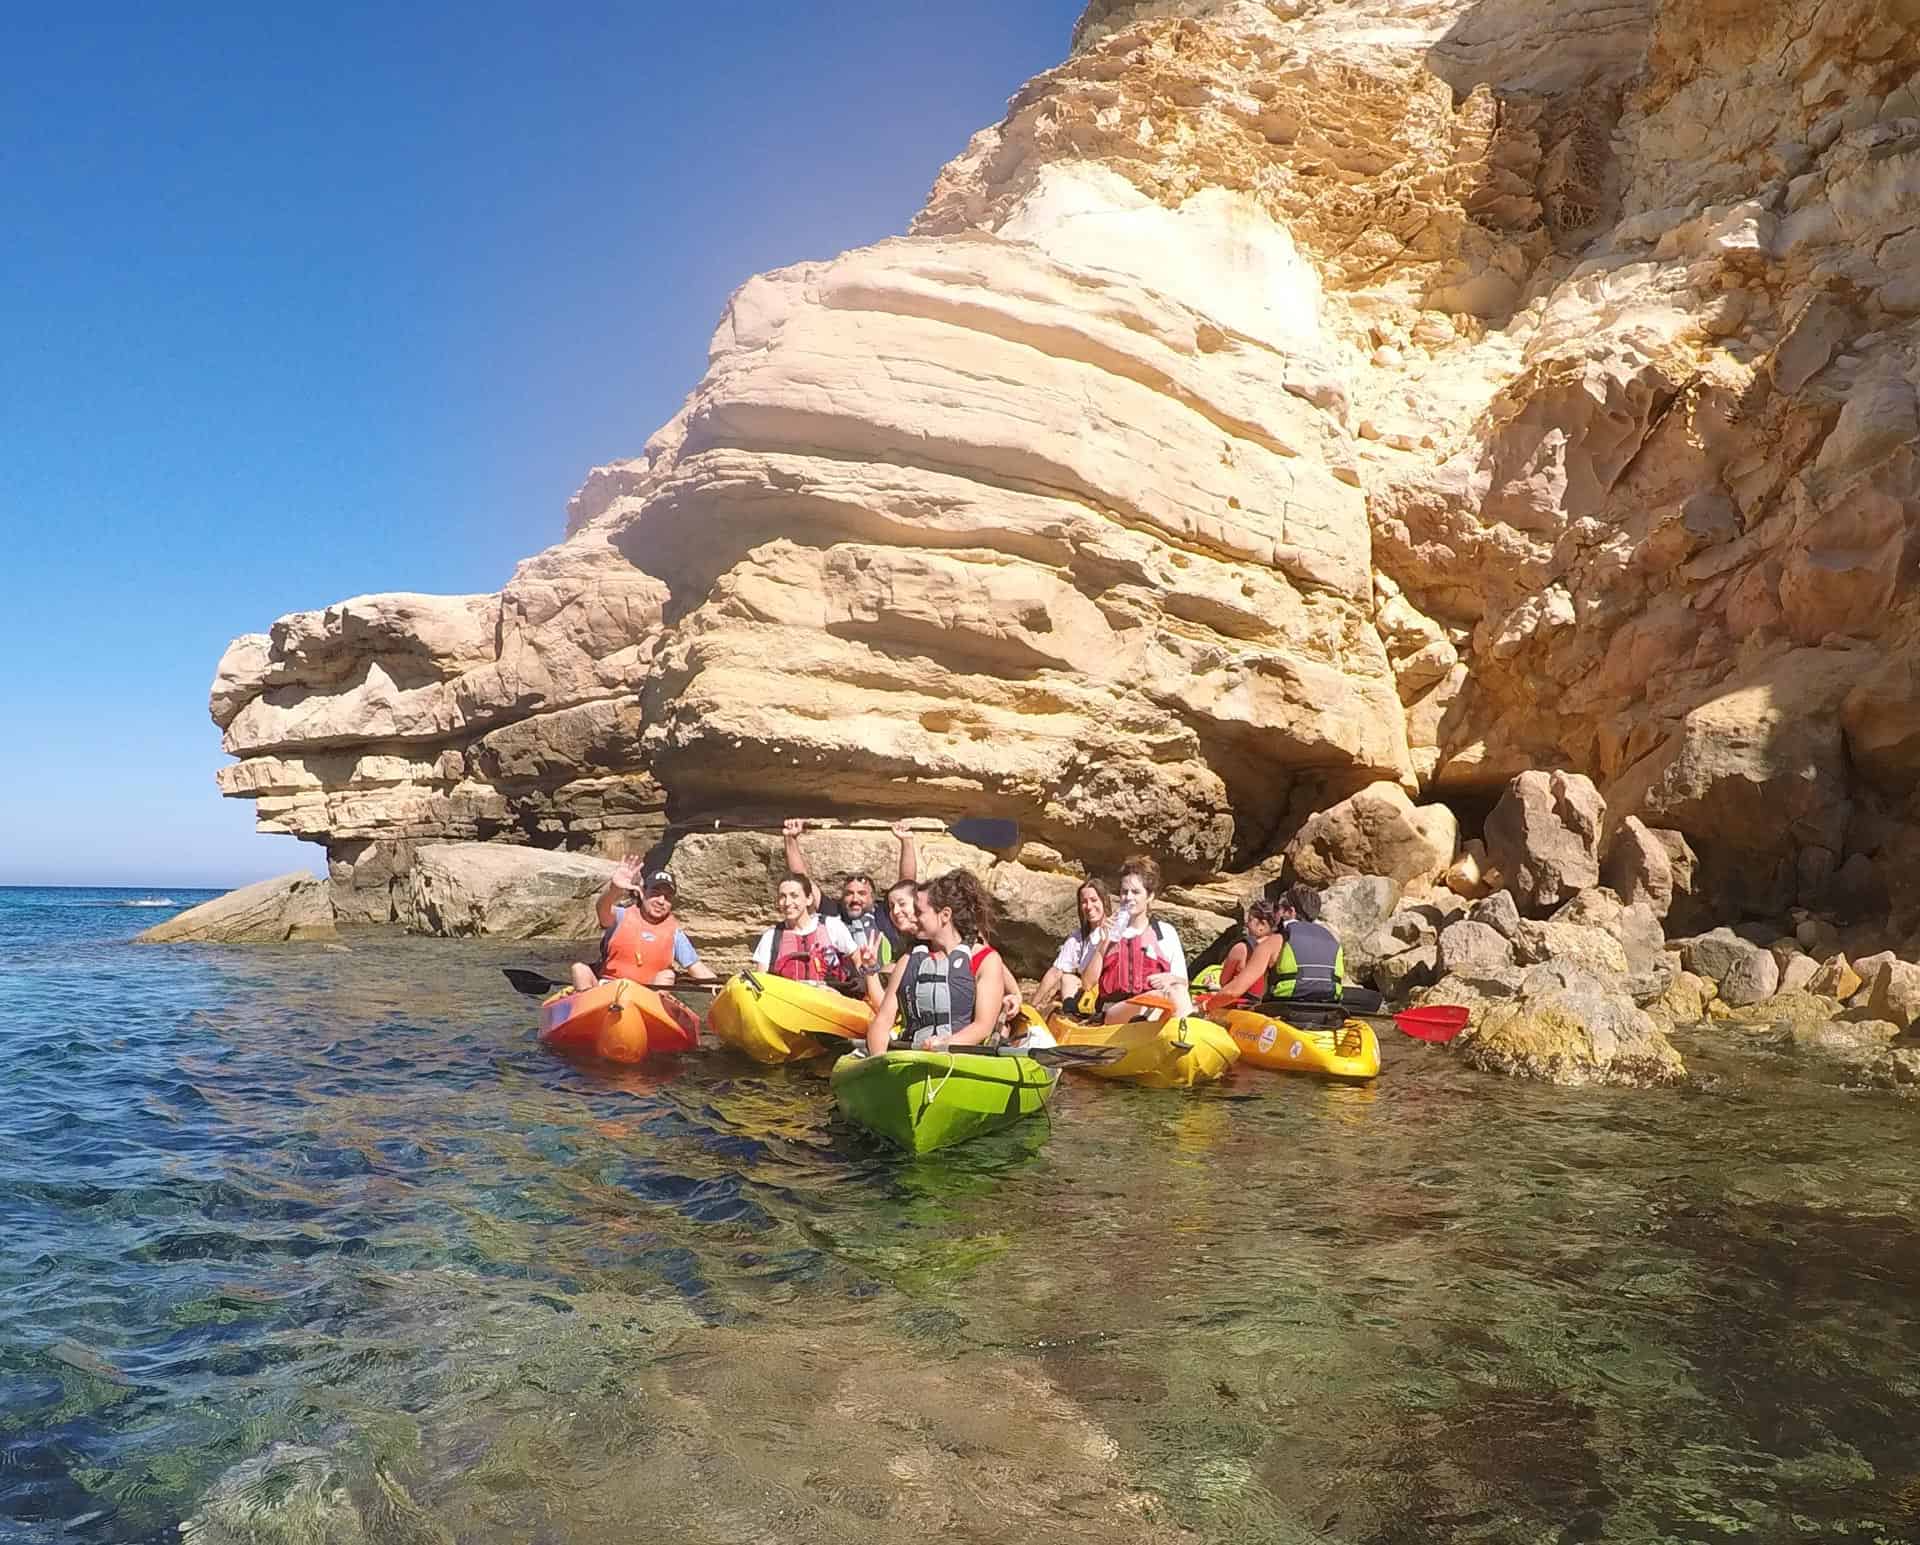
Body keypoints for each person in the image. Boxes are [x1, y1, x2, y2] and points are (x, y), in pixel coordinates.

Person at [864, 870, 1011, 1056]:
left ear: (945, 915)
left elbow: (982, 1026)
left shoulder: (986, 961)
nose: (913, 918)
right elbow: (883, 1021)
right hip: (913, 1053)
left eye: (920, 912)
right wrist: (878, 1060)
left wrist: (944, 1044)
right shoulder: (908, 960)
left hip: (960, 1058)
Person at [783, 818, 918, 969]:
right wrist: (790, 839)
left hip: (882, 983)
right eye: (849, 893)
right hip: (842, 986)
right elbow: (802, 882)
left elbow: (906, 885)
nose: (855, 899)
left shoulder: (885, 914)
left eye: (862, 893)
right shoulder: (834, 914)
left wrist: (906, 841)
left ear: (872, 897)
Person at [570, 857, 716, 992]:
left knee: (667, 976)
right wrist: (614, 889)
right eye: (655, 893)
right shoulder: (620, 916)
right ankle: (586, 1013)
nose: (661, 901)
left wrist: (725, 989)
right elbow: (602, 909)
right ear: (642, 892)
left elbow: (698, 970)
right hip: (606, 991)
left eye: (667, 897)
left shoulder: (675, 934)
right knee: (579, 969)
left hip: (646, 999)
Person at [1077, 855, 1191, 1022]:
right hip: (1115, 1011)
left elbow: (1183, 982)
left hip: (1155, 1008)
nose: (1128, 897)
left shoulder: (1165, 933)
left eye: (1136, 892)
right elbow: (1087, 983)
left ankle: (1185, 1033)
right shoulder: (1105, 931)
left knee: (1177, 991)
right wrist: (1103, 943)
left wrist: (1170, 978)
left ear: (1150, 896)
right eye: (1124, 892)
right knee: (1158, 997)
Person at [1207, 883, 1345, 1007]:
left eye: (1280, 908)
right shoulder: (1332, 941)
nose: (1277, 913)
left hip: (1284, 1013)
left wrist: (1205, 1007)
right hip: (1328, 1011)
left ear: (1290, 912)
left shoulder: (1276, 941)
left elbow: (1233, 991)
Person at [751, 873, 861, 988]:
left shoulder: (831, 925)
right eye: (782, 896)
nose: (787, 902)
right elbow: (760, 981)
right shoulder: (771, 937)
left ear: (808, 899)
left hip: (831, 999)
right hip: (788, 1001)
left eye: (794, 896)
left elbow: (857, 959)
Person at [1031, 879, 1113, 1016]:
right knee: (1067, 979)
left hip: (1110, 991)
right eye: (1084, 902)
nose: (1089, 906)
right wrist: (1033, 1005)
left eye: (1094, 900)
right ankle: (1073, 1016)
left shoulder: (1117, 929)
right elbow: (1055, 972)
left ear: (1104, 901)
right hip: (1088, 994)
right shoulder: (1078, 937)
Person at [1192, 899, 1278, 993]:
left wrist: (1211, 985)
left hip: (1242, 1003)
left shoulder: (1242, 949)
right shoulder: (1280, 946)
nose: (1247, 924)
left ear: (1263, 924)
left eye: (1250, 920)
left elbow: (1224, 982)